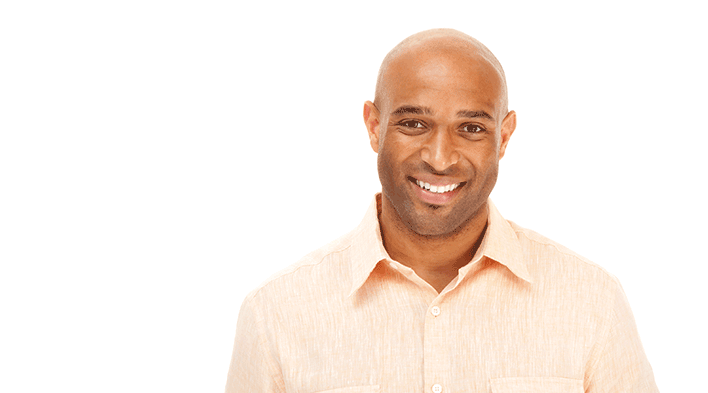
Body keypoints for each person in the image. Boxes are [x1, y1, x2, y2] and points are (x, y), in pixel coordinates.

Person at [224, 29, 658, 393]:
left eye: (471, 128)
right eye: (414, 124)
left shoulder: (592, 302)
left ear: (504, 137)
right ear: (374, 126)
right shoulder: (275, 314)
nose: (439, 157)